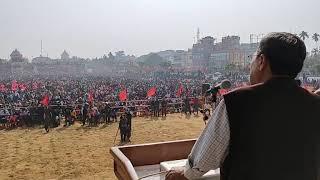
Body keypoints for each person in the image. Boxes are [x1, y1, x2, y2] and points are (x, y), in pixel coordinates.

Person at [166, 32, 320, 180]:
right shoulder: (315, 103)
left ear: (261, 61)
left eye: (251, 58)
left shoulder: (235, 101)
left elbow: (202, 161)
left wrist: (185, 174)